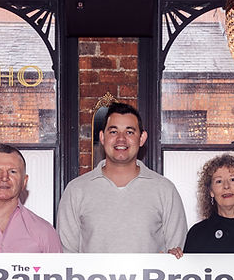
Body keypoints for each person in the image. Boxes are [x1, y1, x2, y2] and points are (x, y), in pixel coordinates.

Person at [57, 102, 186, 253]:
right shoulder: (76, 190)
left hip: (149, 278)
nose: (121, 139)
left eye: (129, 132)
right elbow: (67, 258)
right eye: (113, 132)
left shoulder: (164, 190)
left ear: (142, 138)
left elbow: (176, 254)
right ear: (102, 137)